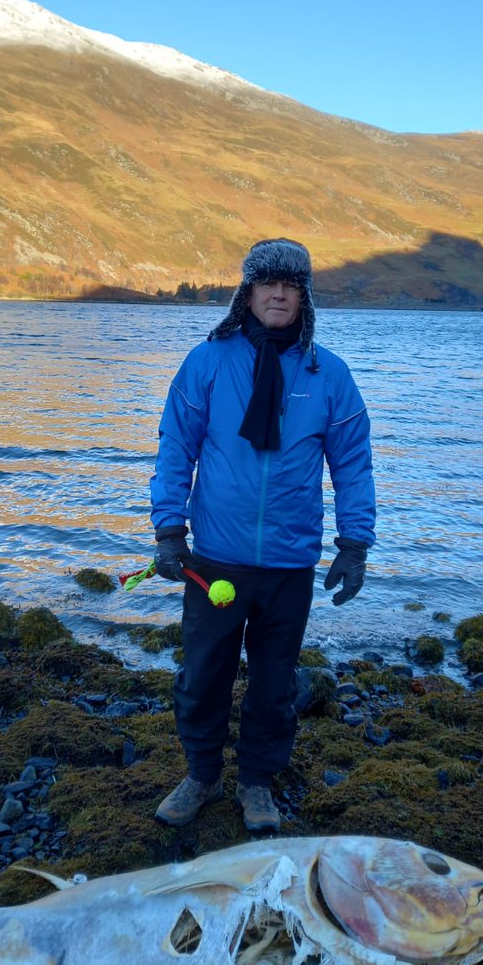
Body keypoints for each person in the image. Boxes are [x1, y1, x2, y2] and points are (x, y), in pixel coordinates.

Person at [149, 237, 376, 832]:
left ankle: (256, 784)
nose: (278, 293)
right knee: (202, 677)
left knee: (275, 685)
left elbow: (352, 465)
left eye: (290, 285)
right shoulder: (207, 362)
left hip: (288, 563)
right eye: (266, 283)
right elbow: (177, 447)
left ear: (303, 296)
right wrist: (169, 530)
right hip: (215, 561)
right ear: (246, 292)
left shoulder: (330, 374)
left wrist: (354, 546)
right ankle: (201, 775)